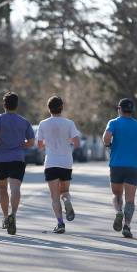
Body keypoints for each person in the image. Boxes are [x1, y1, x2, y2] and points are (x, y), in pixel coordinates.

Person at [102, 98, 137, 238]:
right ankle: (127, 226)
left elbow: (106, 138)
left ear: (119, 109)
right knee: (130, 200)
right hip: (132, 167)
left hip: (116, 165)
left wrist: (109, 145)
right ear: (131, 111)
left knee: (116, 194)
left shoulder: (113, 123)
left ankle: (119, 211)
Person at [0, 92, 35, 235]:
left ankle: (5, 216)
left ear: (4, 105)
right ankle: (13, 214)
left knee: (2, 187)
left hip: (0, 159)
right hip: (17, 159)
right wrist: (21, 146)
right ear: (17, 105)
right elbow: (31, 142)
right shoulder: (24, 122)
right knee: (15, 188)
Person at [37, 96, 80, 234]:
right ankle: (67, 200)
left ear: (48, 108)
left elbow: (39, 145)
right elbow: (77, 143)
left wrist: (47, 144)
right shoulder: (69, 123)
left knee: (54, 196)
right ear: (62, 107)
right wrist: (67, 142)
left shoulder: (43, 124)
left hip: (51, 163)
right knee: (64, 191)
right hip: (66, 162)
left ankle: (60, 223)